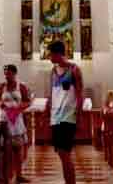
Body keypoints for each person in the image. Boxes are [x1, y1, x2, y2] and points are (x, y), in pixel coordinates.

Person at [46, 40, 83, 184]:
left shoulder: (74, 69)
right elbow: (52, 93)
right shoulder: (53, 71)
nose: (49, 57)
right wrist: (47, 111)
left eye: (51, 54)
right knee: (62, 154)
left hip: (68, 117)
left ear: (57, 54)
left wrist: (79, 117)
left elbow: (80, 94)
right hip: (55, 118)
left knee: (65, 154)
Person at [0, 64, 31, 184]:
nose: (6, 76)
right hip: (4, 118)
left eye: (9, 73)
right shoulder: (1, 87)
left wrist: (18, 108)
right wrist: (0, 104)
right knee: (4, 148)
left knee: (18, 147)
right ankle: (4, 176)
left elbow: (27, 101)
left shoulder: (22, 86)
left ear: (15, 73)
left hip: (16, 118)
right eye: (5, 73)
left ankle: (19, 174)